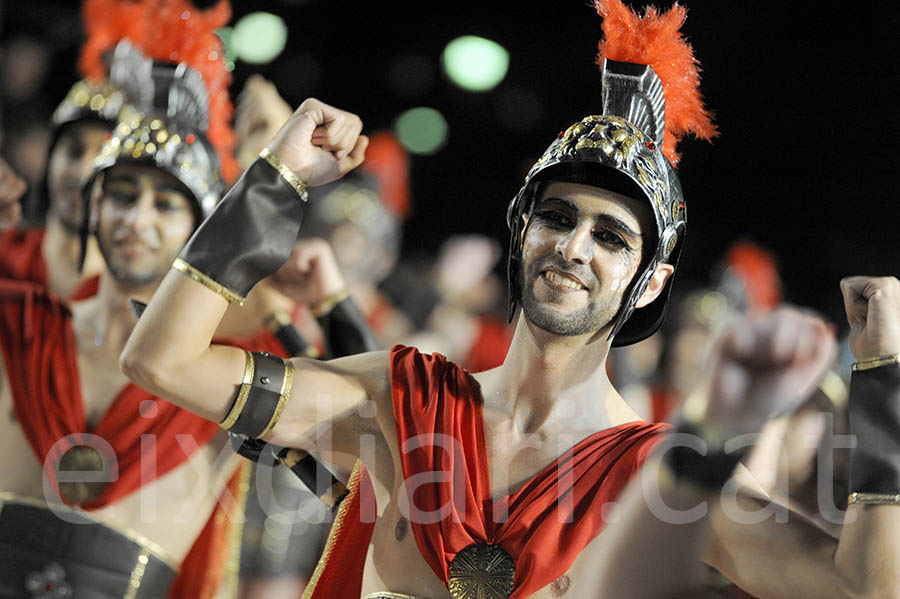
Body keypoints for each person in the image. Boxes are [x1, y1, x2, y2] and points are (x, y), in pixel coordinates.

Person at [120, 1, 900, 598]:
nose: (574, 247)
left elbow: (865, 588)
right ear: (521, 230)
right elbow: (163, 359)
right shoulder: (399, 399)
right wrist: (274, 182)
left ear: (651, 282)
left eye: (612, 238)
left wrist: (886, 383)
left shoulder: (667, 480)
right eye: (557, 217)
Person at [0, 9, 248, 596]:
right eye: (122, 194)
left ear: (198, 230)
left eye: (165, 205)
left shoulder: (226, 377)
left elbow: (356, 468)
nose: (137, 219)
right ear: (91, 206)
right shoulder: (17, 323)